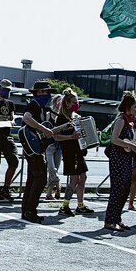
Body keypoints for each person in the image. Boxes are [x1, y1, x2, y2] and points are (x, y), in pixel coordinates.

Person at [104, 91, 136, 231]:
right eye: (135, 106)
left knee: (125, 189)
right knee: (117, 189)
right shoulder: (121, 120)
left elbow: (127, 140)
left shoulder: (130, 122)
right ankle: (109, 221)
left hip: (126, 159)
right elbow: (114, 140)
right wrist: (131, 145)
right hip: (118, 159)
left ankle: (117, 218)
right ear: (128, 107)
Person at [21, 81, 56, 223]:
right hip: (32, 147)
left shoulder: (43, 109)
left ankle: (27, 210)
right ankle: (30, 210)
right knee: (40, 178)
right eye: (45, 92)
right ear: (38, 93)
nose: (48, 95)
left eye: (48, 92)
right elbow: (26, 118)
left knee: (32, 179)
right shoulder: (34, 104)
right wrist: (44, 129)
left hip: (33, 146)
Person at [56, 88, 94, 216]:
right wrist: (70, 137)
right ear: (66, 103)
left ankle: (80, 204)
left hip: (78, 151)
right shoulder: (61, 118)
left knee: (83, 177)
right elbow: (55, 135)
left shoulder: (76, 117)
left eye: (77, 101)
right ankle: (64, 205)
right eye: (73, 102)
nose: (76, 104)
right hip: (70, 152)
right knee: (74, 179)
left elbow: (80, 133)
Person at [45, 94, 64, 200]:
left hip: (59, 145)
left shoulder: (63, 116)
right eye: (58, 101)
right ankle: (58, 185)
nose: (59, 103)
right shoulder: (48, 114)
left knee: (56, 168)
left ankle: (49, 194)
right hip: (49, 145)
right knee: (51, 169)